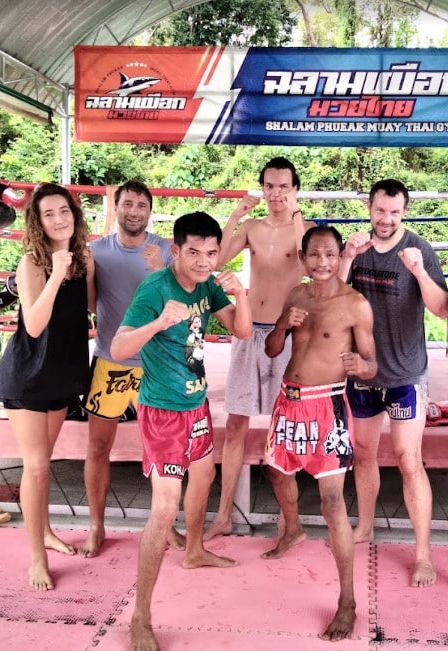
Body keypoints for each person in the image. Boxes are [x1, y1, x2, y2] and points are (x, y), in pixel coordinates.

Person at [110, 211, 252, 651]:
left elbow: (242, 330)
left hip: (197, 405)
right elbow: (117, 348)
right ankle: (140, 616)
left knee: (204, 476)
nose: (204, 261)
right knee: (162, 509)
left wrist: (241, 293)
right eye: (194, 252)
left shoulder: (209, 285)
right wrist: (156, 324)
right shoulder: (155, 288)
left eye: (211, 253)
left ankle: (193, 551)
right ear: (176, 250)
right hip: (163, 412)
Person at [263, 226, 377, 641]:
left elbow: (372, 363)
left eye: (330, 254)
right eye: (315, 255)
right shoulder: (296, 295)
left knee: (332, 504)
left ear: (338, 256)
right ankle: (292, 529)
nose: (323, 262)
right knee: (276, 473)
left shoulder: (356, 305)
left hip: (327, 405)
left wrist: (360, 368)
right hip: (289, 401)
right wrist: (281, 324)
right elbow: (273, 350)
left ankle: (346, 601)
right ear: (303, 256)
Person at [339, 178, 448, 588]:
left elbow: (442, 310)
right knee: (364, 454)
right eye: (380, 211)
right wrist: (347, 258)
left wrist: (419, 273)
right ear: (369, 208)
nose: (386, 220)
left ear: (404, 212)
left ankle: (423, 554)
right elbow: (329, 296)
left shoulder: (419, 249)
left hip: (406, 374)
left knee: (408, 458)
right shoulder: (356, 248)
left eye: (394, 213)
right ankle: (365, 527)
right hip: (364, 374)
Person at [204, 156, 313, 540]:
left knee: (288, 425)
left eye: (284, 186)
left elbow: (306, 259)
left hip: (288, 332)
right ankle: (223, 515)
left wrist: (296, 213)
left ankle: (289, 519)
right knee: (236, 424)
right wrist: (235, 215)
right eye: (270, 186)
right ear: (262, 187)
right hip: (250, 329)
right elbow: (215, 260)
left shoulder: (306, 229)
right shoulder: (252, 226)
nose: (276, 193)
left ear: (295, 189)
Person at [0, 183, 94, 590]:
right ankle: (36, 557)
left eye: (63, 211)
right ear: (38, 221)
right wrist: (55, 272)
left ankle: (47, 531)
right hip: (29, 374)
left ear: (74, 213)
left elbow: (92, 307)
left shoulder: (85, 257)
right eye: (49, 213)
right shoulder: (31, 263)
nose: (58, 219)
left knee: (45, 464)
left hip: (63, 373)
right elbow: (34, 325)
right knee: (34, 467)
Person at [80, 180, 176, 558]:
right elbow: (90, 302)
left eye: (141, 205)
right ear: (116, 207)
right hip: (111, 361)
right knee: (98, 445)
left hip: (158, 364)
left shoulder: (167, 250)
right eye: (128, 204)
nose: (134, 210)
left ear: (150, 211)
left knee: (164, 450)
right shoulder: (96, 251)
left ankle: (165, 524)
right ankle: (96, 524)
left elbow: (183, 297)